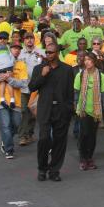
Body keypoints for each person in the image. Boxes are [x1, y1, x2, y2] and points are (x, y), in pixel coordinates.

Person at [28, 42, 75, 182]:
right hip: (45, 109)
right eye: (47, 52)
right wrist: (42, 75)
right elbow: (32, 87)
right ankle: (42, 169)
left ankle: (55, 170)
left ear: (57, 53)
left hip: (61, 110)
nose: (48, 55)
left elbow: (70, 91)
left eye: (51, 52)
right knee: (44, 139)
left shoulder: (67, 70)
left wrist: (69, 108)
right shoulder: (39, 68)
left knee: (60, 141)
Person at [74, 51, 104, 170]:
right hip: (83, 110)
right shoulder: (80, 75)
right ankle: (83, 158)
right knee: (84, 134)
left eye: (89, 60)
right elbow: (76, 92)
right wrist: (76, 106)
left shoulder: (101, 76)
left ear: (94, 61)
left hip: (96, 111)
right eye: (85, 60)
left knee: (92, 136)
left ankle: (89, 158)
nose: (87, 62)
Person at [0, 42, 27, 159]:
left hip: (16, 101)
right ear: (9, 50)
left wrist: (9, 79)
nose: (16, 50)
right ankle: (9, 150)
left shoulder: (21, 65)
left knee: (16, 124)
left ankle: (5, 140)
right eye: (14, 48)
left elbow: (23, 83)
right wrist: (2, 76)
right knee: (5, 125)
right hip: (1, 101)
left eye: (18, 49)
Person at [17, 32, 44, 146]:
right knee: (24, 111)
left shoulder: (40, 52)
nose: (29, 40)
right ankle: (23, 136)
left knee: (33, 111)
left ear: (34, 40)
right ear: (24, 40)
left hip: (36, 88)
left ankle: (30, 134)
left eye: (31, 38)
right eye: (27, 38)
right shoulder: (19, 53)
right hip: (23, 87)